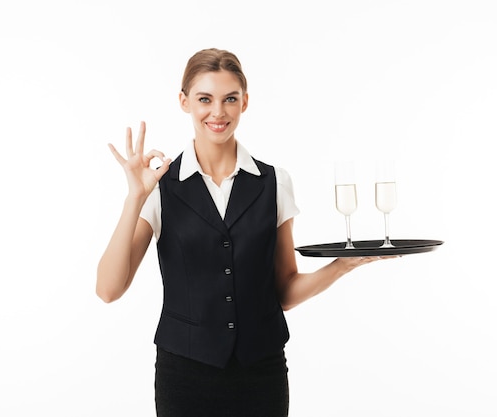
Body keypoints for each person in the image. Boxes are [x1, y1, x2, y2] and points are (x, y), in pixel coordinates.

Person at [96, 48, 391, 417]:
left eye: (229, 99)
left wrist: (341, 266)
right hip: (184, 377)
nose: (217, 112)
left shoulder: (274, 182)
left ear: (245, 103)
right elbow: (108, 289)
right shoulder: (160, 186)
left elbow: (284, 291)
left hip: (261, 375)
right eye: (205, 99)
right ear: (184, 102)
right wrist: (134, 198)